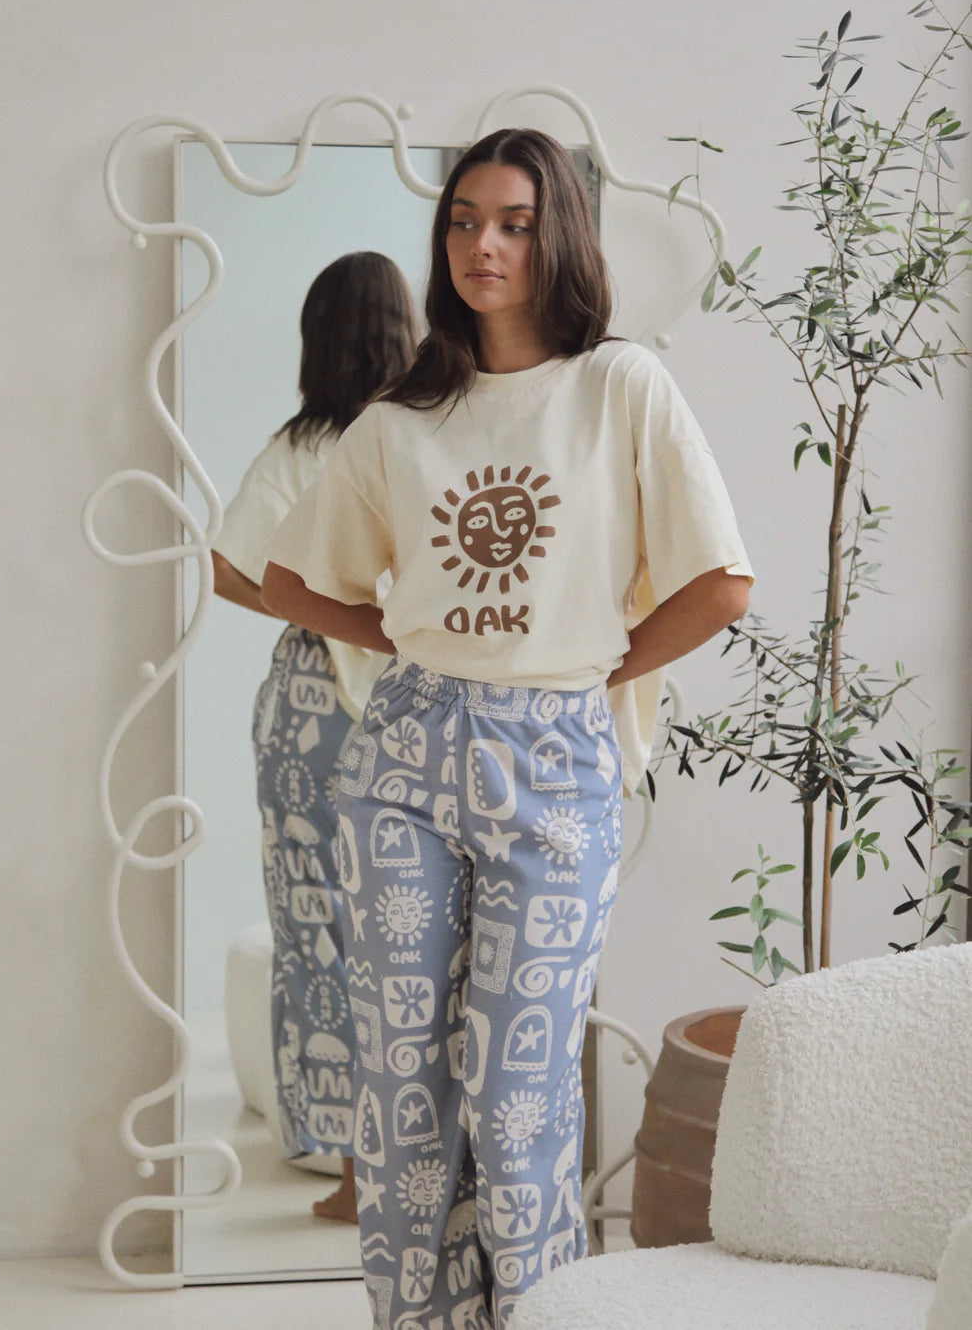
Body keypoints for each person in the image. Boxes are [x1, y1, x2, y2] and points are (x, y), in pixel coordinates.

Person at [262, 130, 753, 1328]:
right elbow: (288, 580)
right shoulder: (399, 418)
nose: (482, 244)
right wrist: (418, 645)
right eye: (463, 220)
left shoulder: (618, 386)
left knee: (517, 1091)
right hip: (403, 751)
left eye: (514, 224)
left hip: (555, 751)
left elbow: (720, 583)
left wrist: (591, 668)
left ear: (556, 238)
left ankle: (536, 1316)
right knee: (403, 1091)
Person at [212, 250, 416, 1223]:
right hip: (410, 700)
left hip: (306, 709)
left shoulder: (300, 446)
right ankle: (409, 1154)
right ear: (404, 328)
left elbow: (226, 568)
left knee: (313, 929)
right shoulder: (421, 436)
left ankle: (342, 1161)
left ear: (315, 338)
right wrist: (378, 626)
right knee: (407, 930)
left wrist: (321, 616)